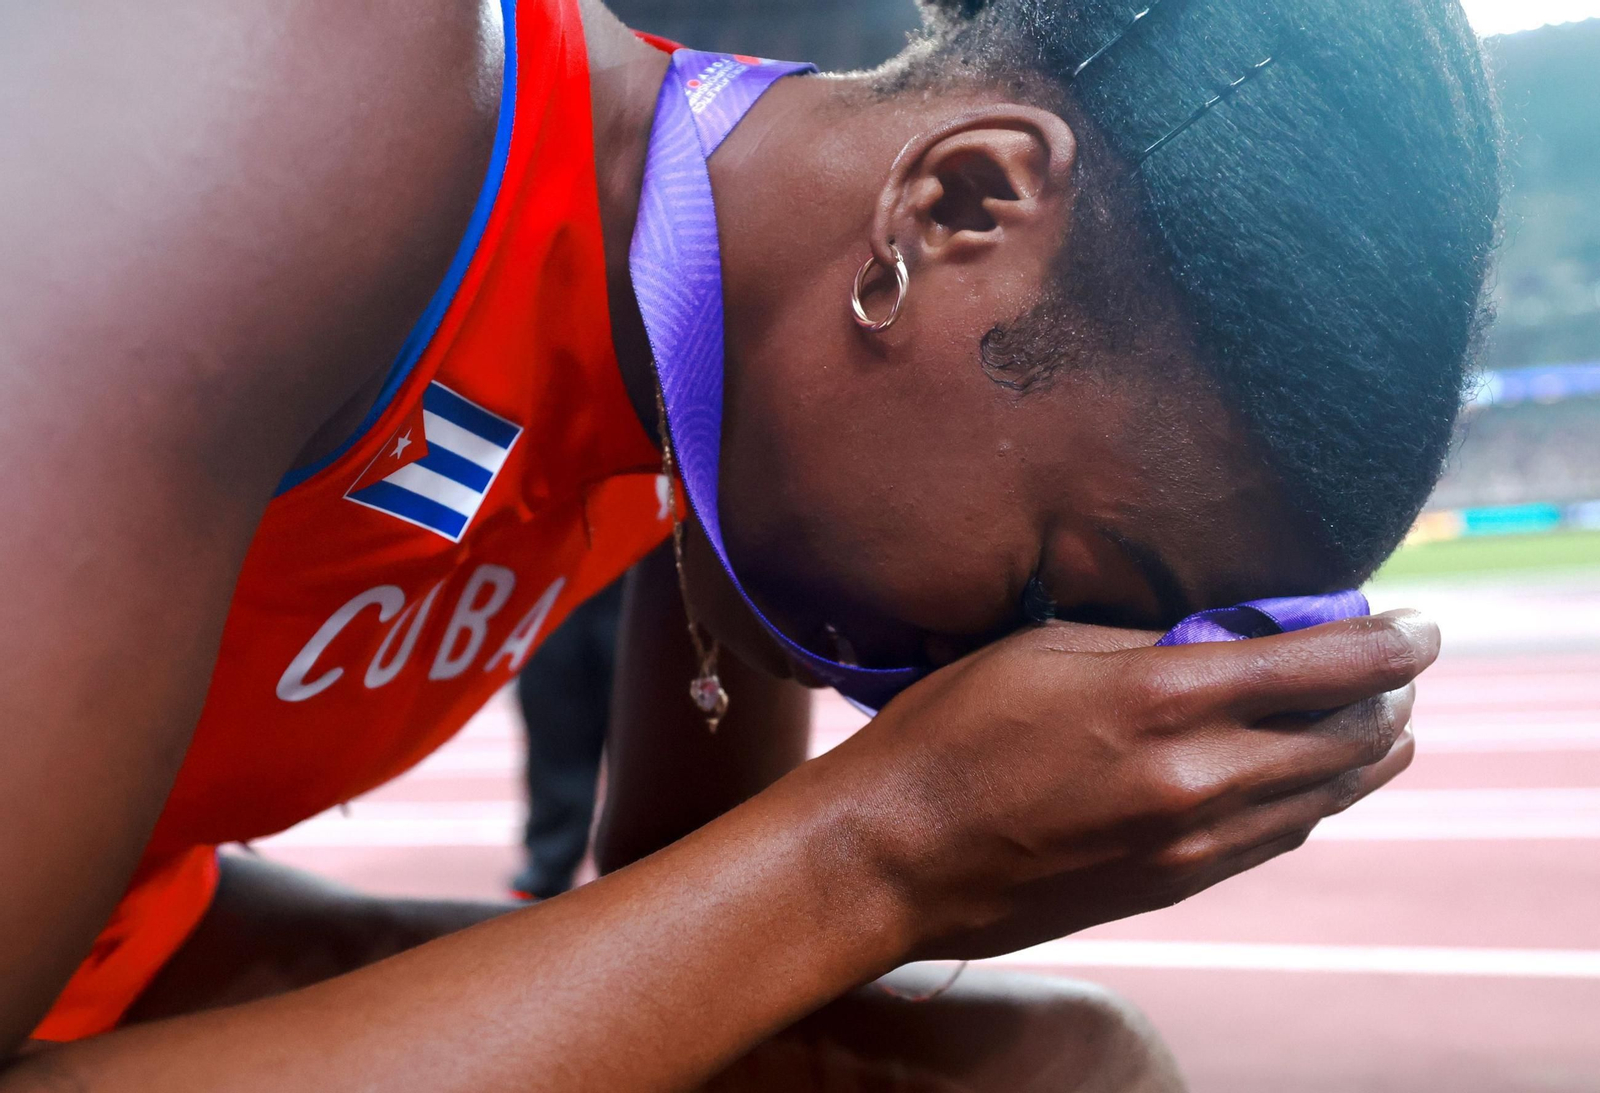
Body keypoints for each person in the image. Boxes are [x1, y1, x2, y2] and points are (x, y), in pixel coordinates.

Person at [0, 0, 1498, 1089]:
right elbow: (779, 893)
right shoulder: (314, 72)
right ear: (960, 201)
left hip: (123, 964)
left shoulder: (714, 381)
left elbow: (693, 955)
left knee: (1062, 1069)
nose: (1018, 681)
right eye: (1057, 592)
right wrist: (891, 845)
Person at [511, 578, 624, 901]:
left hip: (641, 568)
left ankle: (645, 868)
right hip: (557, 575)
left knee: (645, 745)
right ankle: (548, 868)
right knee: (554, 728)